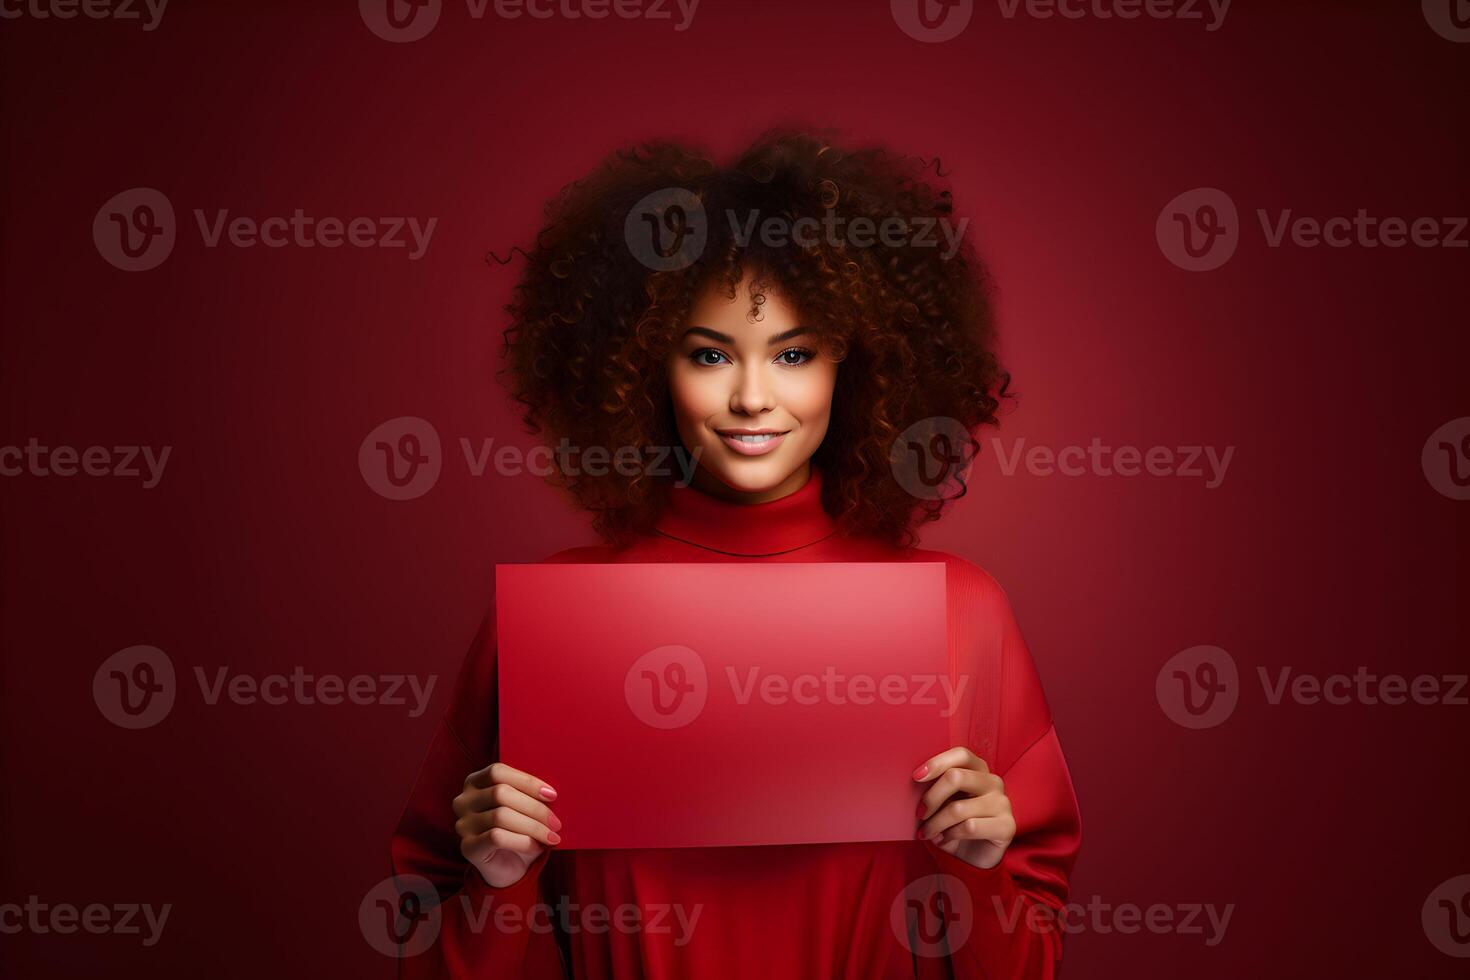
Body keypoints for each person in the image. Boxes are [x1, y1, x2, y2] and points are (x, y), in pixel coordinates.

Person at [389, 129, 1082, 978]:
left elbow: (1031, 959)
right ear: (643, 368)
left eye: (794, 354)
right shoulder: (546, 620)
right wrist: (497, 884)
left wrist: (979, 876)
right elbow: (427, 942)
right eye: (710, 354)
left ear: (852, 367)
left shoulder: (960, 610)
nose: (753, 397)